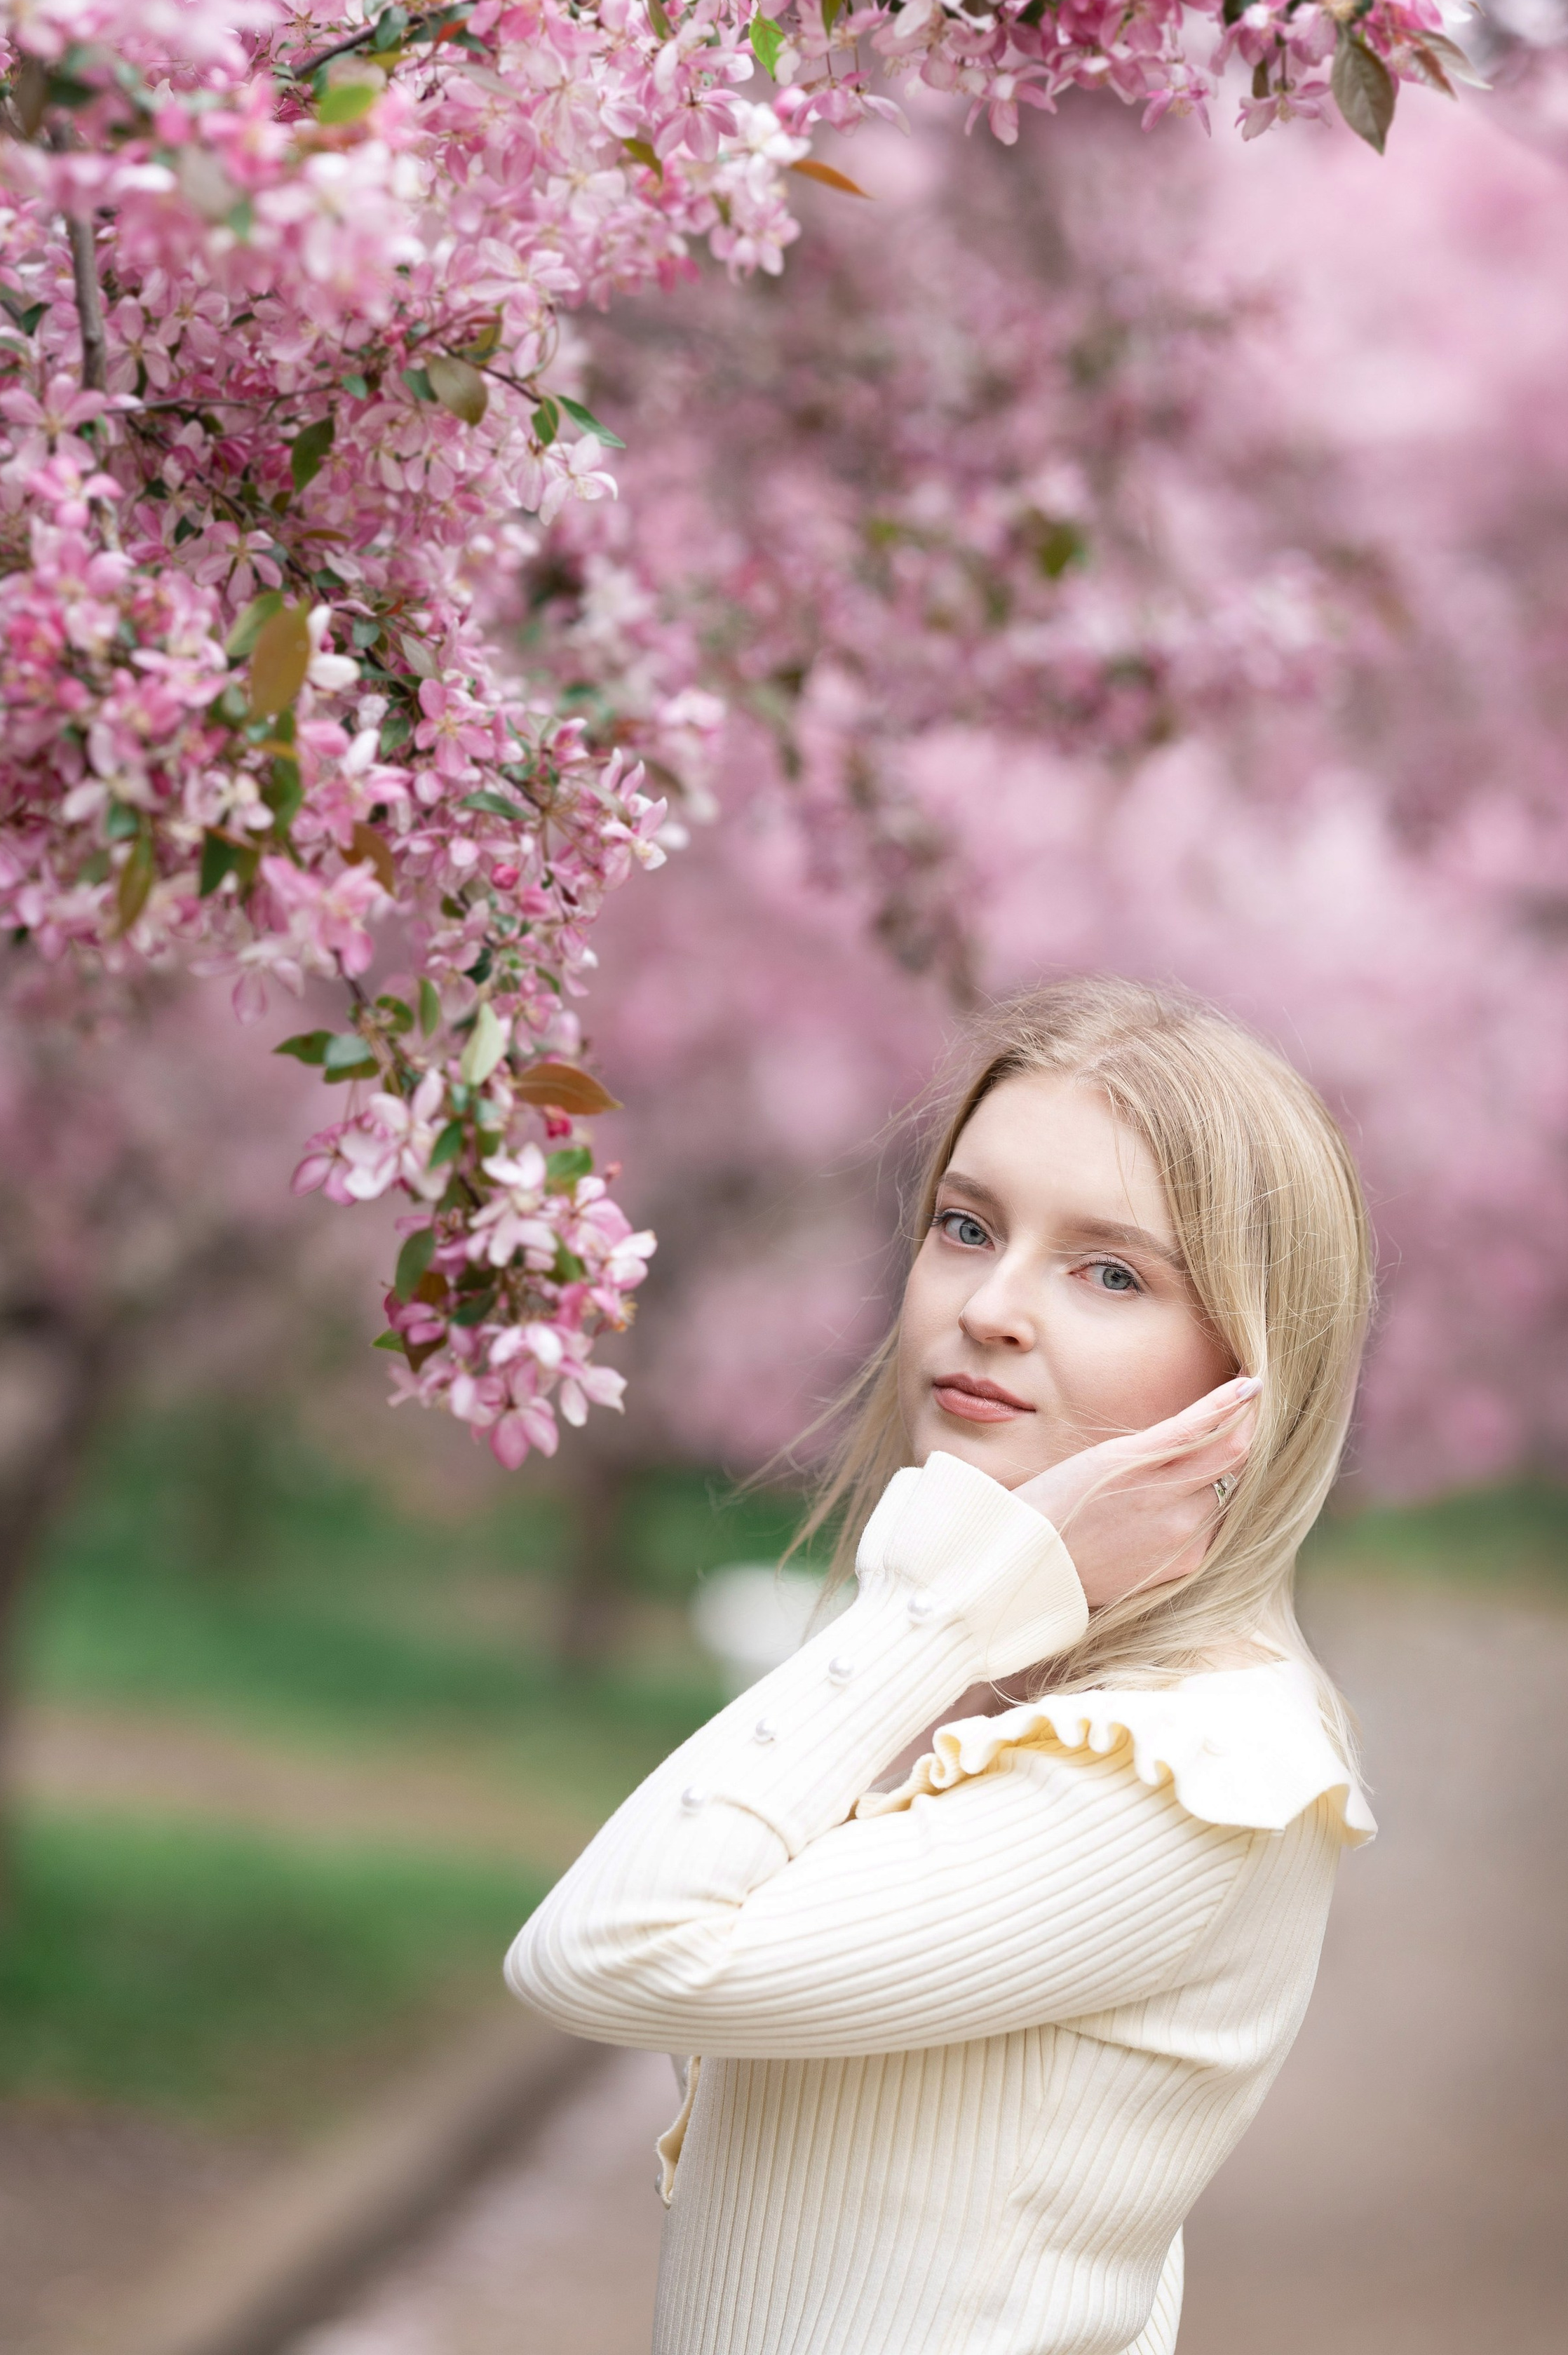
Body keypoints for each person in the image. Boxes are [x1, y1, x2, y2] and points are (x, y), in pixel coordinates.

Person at [506, 977, 1377, 2354]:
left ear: (1248, 1378)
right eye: (966, 1228)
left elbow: (601, 1951)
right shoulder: (1037, 1685)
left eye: (1110, 1272)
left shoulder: (1180, 1775)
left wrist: (945, 1602)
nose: (991, 1308)